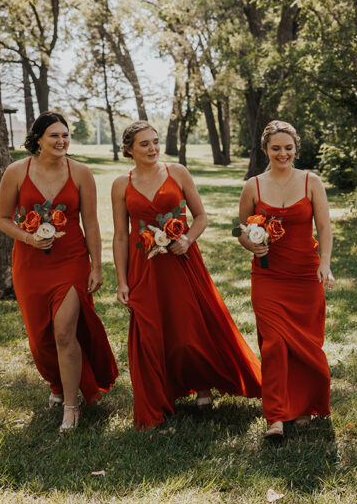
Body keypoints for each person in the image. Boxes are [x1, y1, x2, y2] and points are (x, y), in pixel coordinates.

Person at [111, 121, 261, 429]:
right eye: (144, 144)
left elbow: (201, 216)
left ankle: (203, 384)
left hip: (181, 261)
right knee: (152, 331)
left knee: (189, 328)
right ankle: (160, 394)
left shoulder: (177, 172)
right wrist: (122, 281)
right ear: (128, 150)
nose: (153, 148)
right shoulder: (120, 184)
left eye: (155, 142)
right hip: (145, 266)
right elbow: (121, 237)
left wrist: (187, 239)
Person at [0, 112, 118, 433]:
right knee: (41, 338)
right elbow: (3, 218)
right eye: (54, 135)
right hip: (29, 264)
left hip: (71, 261)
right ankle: (56, 382)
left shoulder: (80, 173)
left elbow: (90, 223)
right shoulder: (15, 172)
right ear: (38, 138)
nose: (62, 141)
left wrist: (97, 266)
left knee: (65, 333)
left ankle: (71, 405)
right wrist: (29, 238)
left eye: (65, 135)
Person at [237, 120, 334, 440]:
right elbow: (243, 231)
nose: (283, 153)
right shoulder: (253, 185)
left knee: (306, 343)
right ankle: (276, 417)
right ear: (265, 149)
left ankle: (304, 406)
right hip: (268, 275)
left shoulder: (311, 182)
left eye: (288, 148)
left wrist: (326, 265)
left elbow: (324, 228)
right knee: (274, 344)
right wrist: (250, 243)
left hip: (305, 273)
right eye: (276, 148)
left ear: (296, 149)